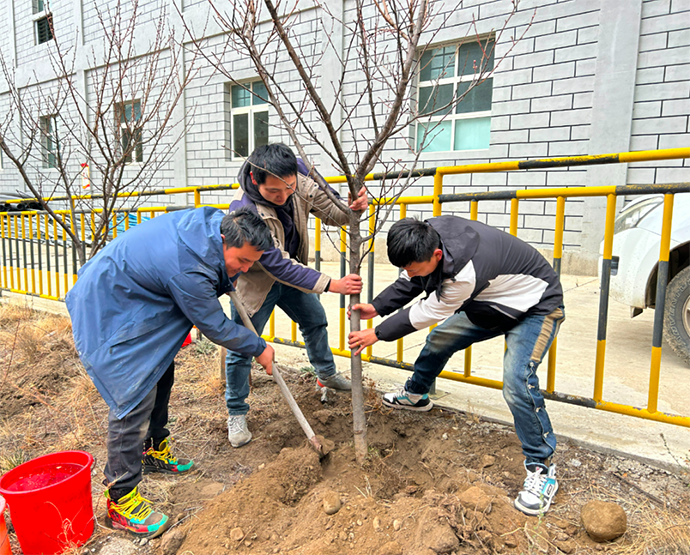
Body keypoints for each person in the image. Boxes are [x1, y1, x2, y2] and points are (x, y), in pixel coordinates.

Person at [66, 207, 275, 538]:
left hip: (136, 295)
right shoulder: (189, 266)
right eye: (242, 261)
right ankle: (120, 500)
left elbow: (215, 274)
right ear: (225, 240)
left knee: (161, 370)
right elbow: (214, 324)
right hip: (109, 304)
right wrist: (259, 347)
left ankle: (152, 450)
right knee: (133, 394)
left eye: (252, 263)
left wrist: (229, 271)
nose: (246, 269)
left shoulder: (216, 227)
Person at [348, 216, 565, 517]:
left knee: (517, 380)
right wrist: (378, 306)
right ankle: (416, 395)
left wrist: (377, 333)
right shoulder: (428, 235)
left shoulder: (464, 274)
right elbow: (414, 278)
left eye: (413, 267)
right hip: (491, 304)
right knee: (440, 339)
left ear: (437, 255)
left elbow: (426, 312)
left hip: (536, 306)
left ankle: (542, 468)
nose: (409, 273)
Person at [224, 143, 367, 447]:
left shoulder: (299, 174)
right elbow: (276, 264)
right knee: (242, 346)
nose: (284, 196)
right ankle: (236, 412)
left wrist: (352, 207)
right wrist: (332, 284)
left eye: (289, 188)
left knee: (315, 320)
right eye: (274, 191)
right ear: (255, 179)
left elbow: (334, 211)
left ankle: (326, 374)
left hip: (292, 271)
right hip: (256, 281)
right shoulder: (245, 210)